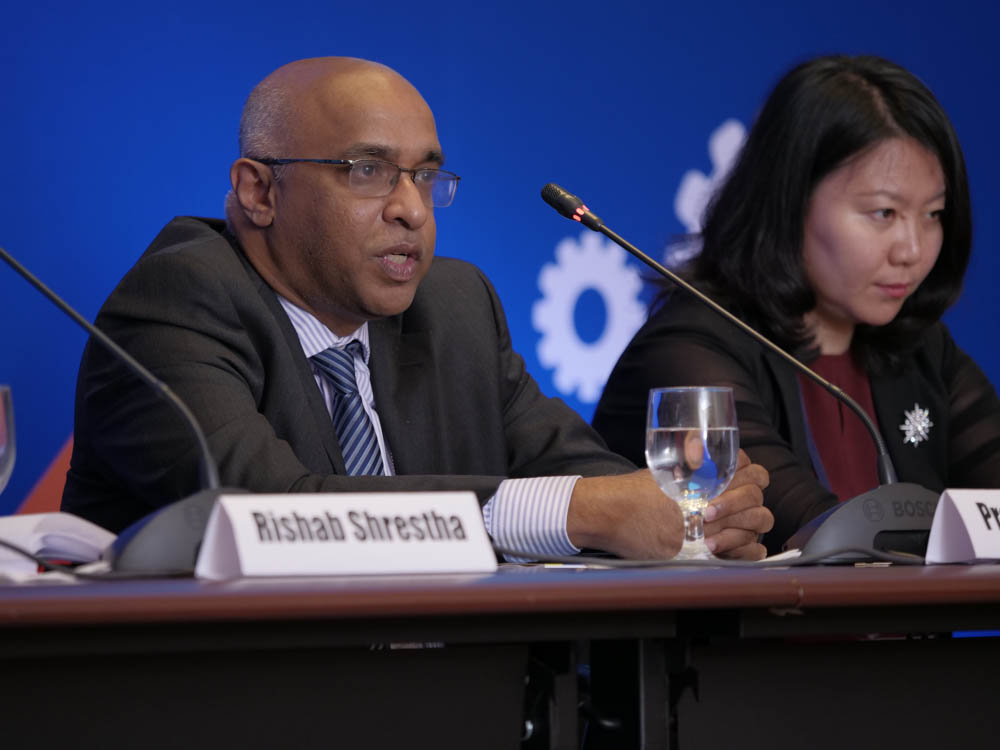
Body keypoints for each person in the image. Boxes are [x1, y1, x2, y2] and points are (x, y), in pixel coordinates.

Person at [61, 57, 772, 561]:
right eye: (367, 171)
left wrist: (692, 515)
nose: (412, 210)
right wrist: (579, 513)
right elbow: (269, 516)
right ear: (259, 192)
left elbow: (589, 475)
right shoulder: (174, 303)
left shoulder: (454, 307)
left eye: (425, 175)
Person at [593, 54, 1000, 553]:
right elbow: (817, 535)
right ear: (789, 201)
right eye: (884, 212)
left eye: (933, 214)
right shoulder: (687, 350)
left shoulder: (920, 348)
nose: (912, 250)